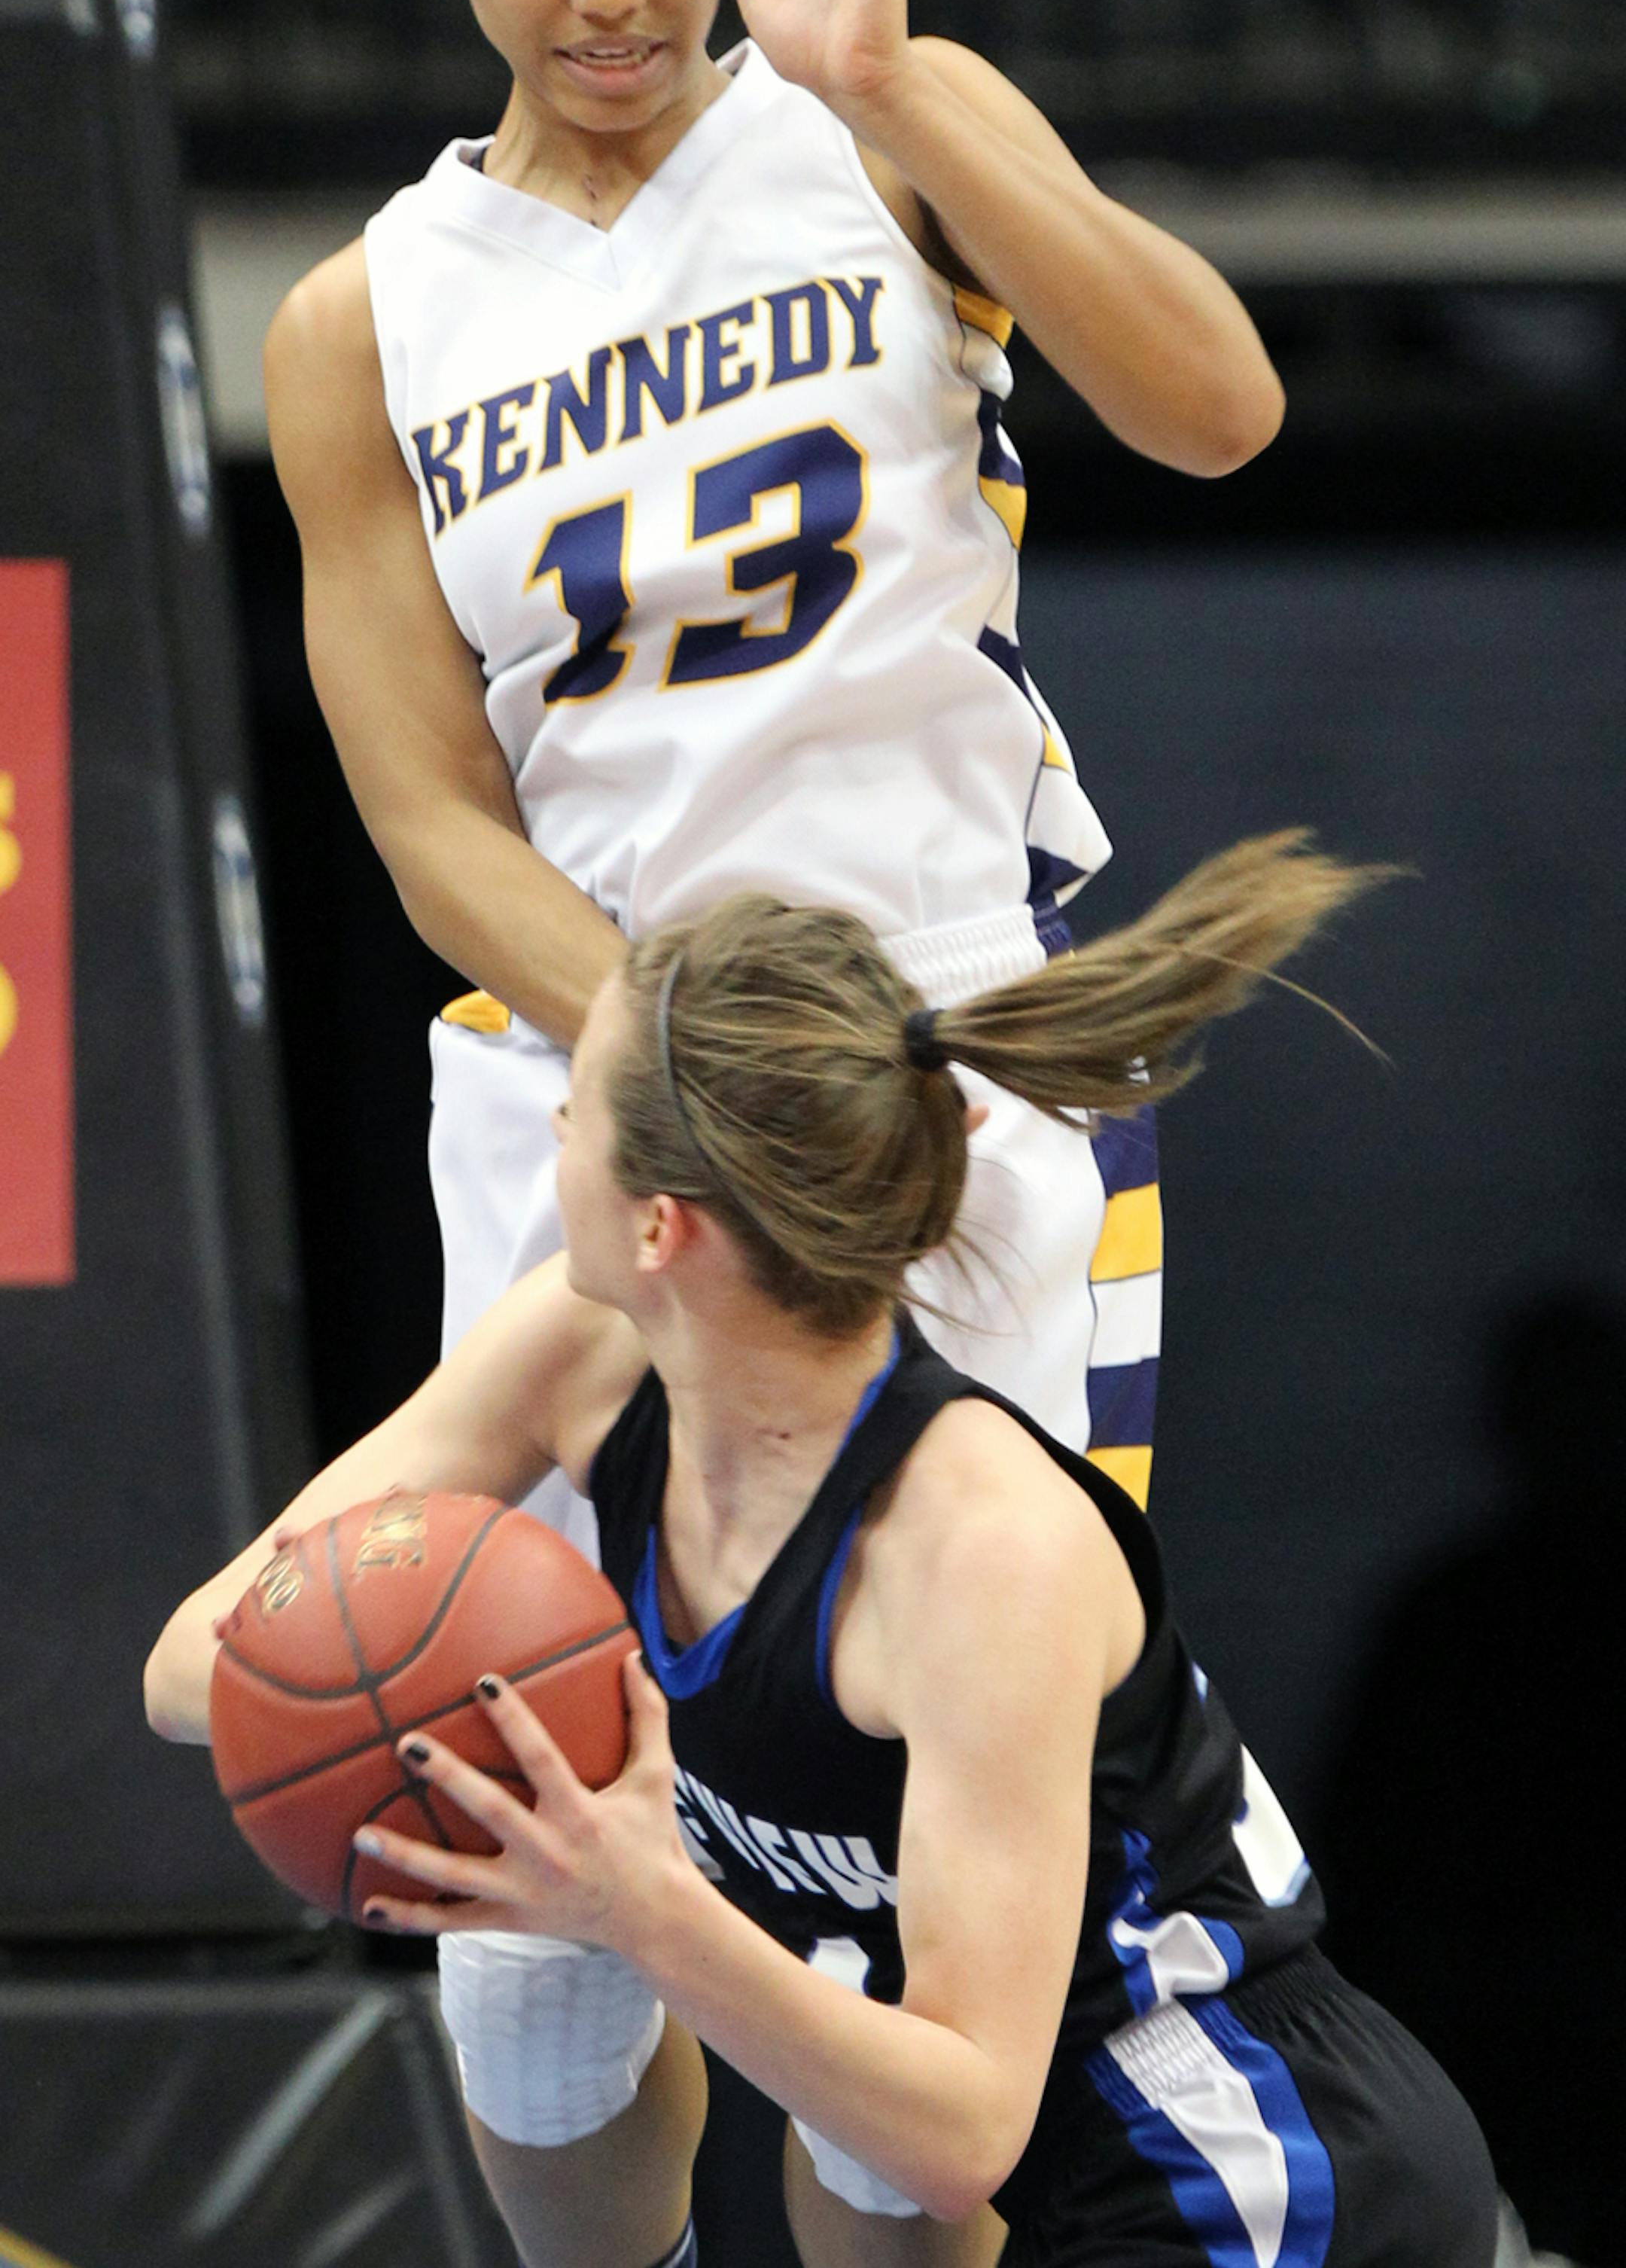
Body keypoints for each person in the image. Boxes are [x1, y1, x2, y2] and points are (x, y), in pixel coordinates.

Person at [262, 0, 1282, 2248]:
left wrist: (905, 91)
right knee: (537, 1923)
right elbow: (431, 817)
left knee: (889, 1898)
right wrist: (675, 1055)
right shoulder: (363, 321)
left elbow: (1219, 409)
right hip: (586, 1094)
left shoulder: (870, 127)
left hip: (948, 1069)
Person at [147, 835, 1498, 2268]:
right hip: (1082, 2184)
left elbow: (960, 2132)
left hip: (1252, 2163)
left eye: (577, 1106)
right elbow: (189, 1668)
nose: (550, 1130)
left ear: (660, 1225)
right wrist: (360, 1680)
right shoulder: (585, 1351)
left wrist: (637, 1904)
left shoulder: (978, 1552)